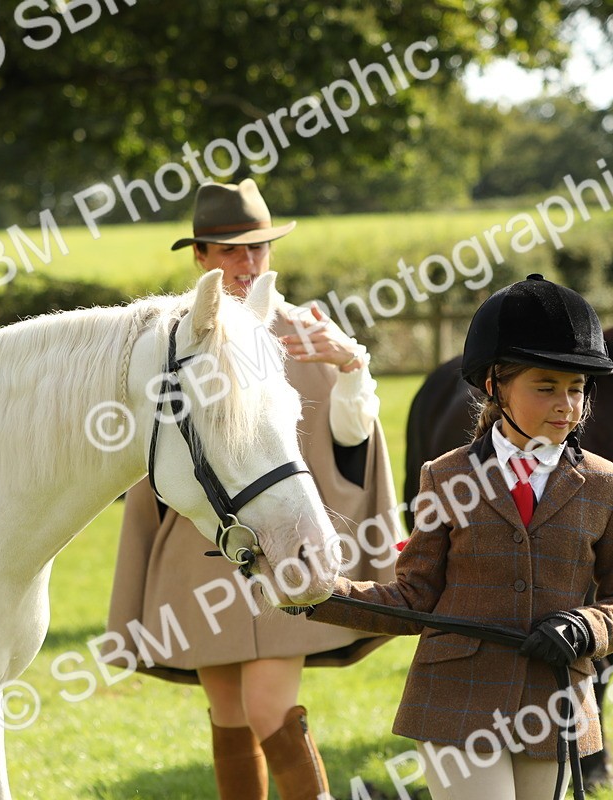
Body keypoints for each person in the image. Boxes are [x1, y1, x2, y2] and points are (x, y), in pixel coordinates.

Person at [299, 274, 613, 800]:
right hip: (456, 700)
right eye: (546, 387)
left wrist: (586, 627)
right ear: (495, 386)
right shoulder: (444, 477)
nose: (567, 406)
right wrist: (315, 593)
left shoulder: (608, 484)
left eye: (577, 389)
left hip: (554, 702)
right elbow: (413, 597)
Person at [108, 178, 402, 800]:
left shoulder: (303, 333)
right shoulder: (171, 344)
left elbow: (351, 436)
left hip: (288, 545)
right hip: (200, 557)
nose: (246, 264)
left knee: (271, 711)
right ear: (201, 258)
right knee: (229, 717)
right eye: (229, 250)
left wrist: (352, 366)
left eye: (257, 250)